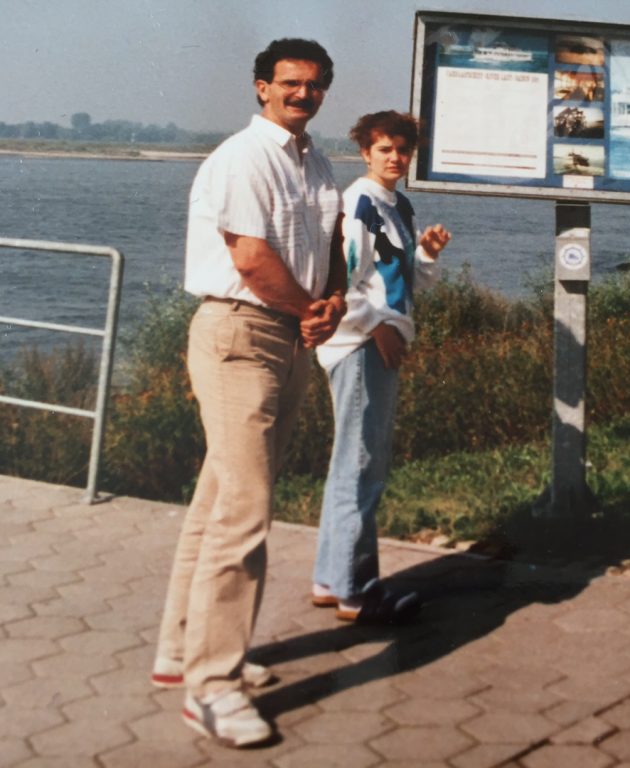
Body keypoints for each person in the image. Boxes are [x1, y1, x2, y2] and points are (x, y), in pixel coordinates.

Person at [150, 38, 345, 748]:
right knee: (246, 511)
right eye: (290, 83)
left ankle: (179, 653)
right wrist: (308, 308)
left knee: (218, 498)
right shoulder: (243, 156)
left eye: (315, 85)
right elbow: (251, 258)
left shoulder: (314, 161)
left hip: (291, 333)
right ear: (262, 88)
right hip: (241, 333)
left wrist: (331, 301)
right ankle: (213, 688)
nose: (303, 94)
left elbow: (332, 244)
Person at [310, 111, 451, 623]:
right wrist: (376, 327)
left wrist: (428, 256)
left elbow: (402, 281)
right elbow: (340, 278)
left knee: (352, 461)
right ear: (365, 152)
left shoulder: (398, 205)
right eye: (384, 149)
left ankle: (331, 579)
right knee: (361, 465)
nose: (395, 158)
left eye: (403, 150)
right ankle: (356, 590)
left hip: (377, 337)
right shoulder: (361, 202)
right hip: (358, 345)